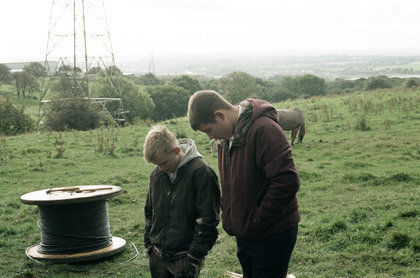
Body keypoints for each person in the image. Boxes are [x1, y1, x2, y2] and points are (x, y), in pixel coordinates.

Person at [188, 90, 300, 278]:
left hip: (272, 233)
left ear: (220, 115)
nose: (210, 137)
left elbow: (287, 181)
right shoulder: (226, 138)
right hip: (247, 233)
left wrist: (257, 221)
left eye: (208, 130)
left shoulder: (264, 129)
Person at [143, 125, 221, 278]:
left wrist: (193, 258)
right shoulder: (156, 174)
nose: (160, 168)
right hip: (157, 258)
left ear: (176, 151)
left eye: (163, 162)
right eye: (156, 164)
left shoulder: (202, 173)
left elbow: (208, 221)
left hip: (184, 261)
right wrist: (149, 245)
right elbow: (149, 211)